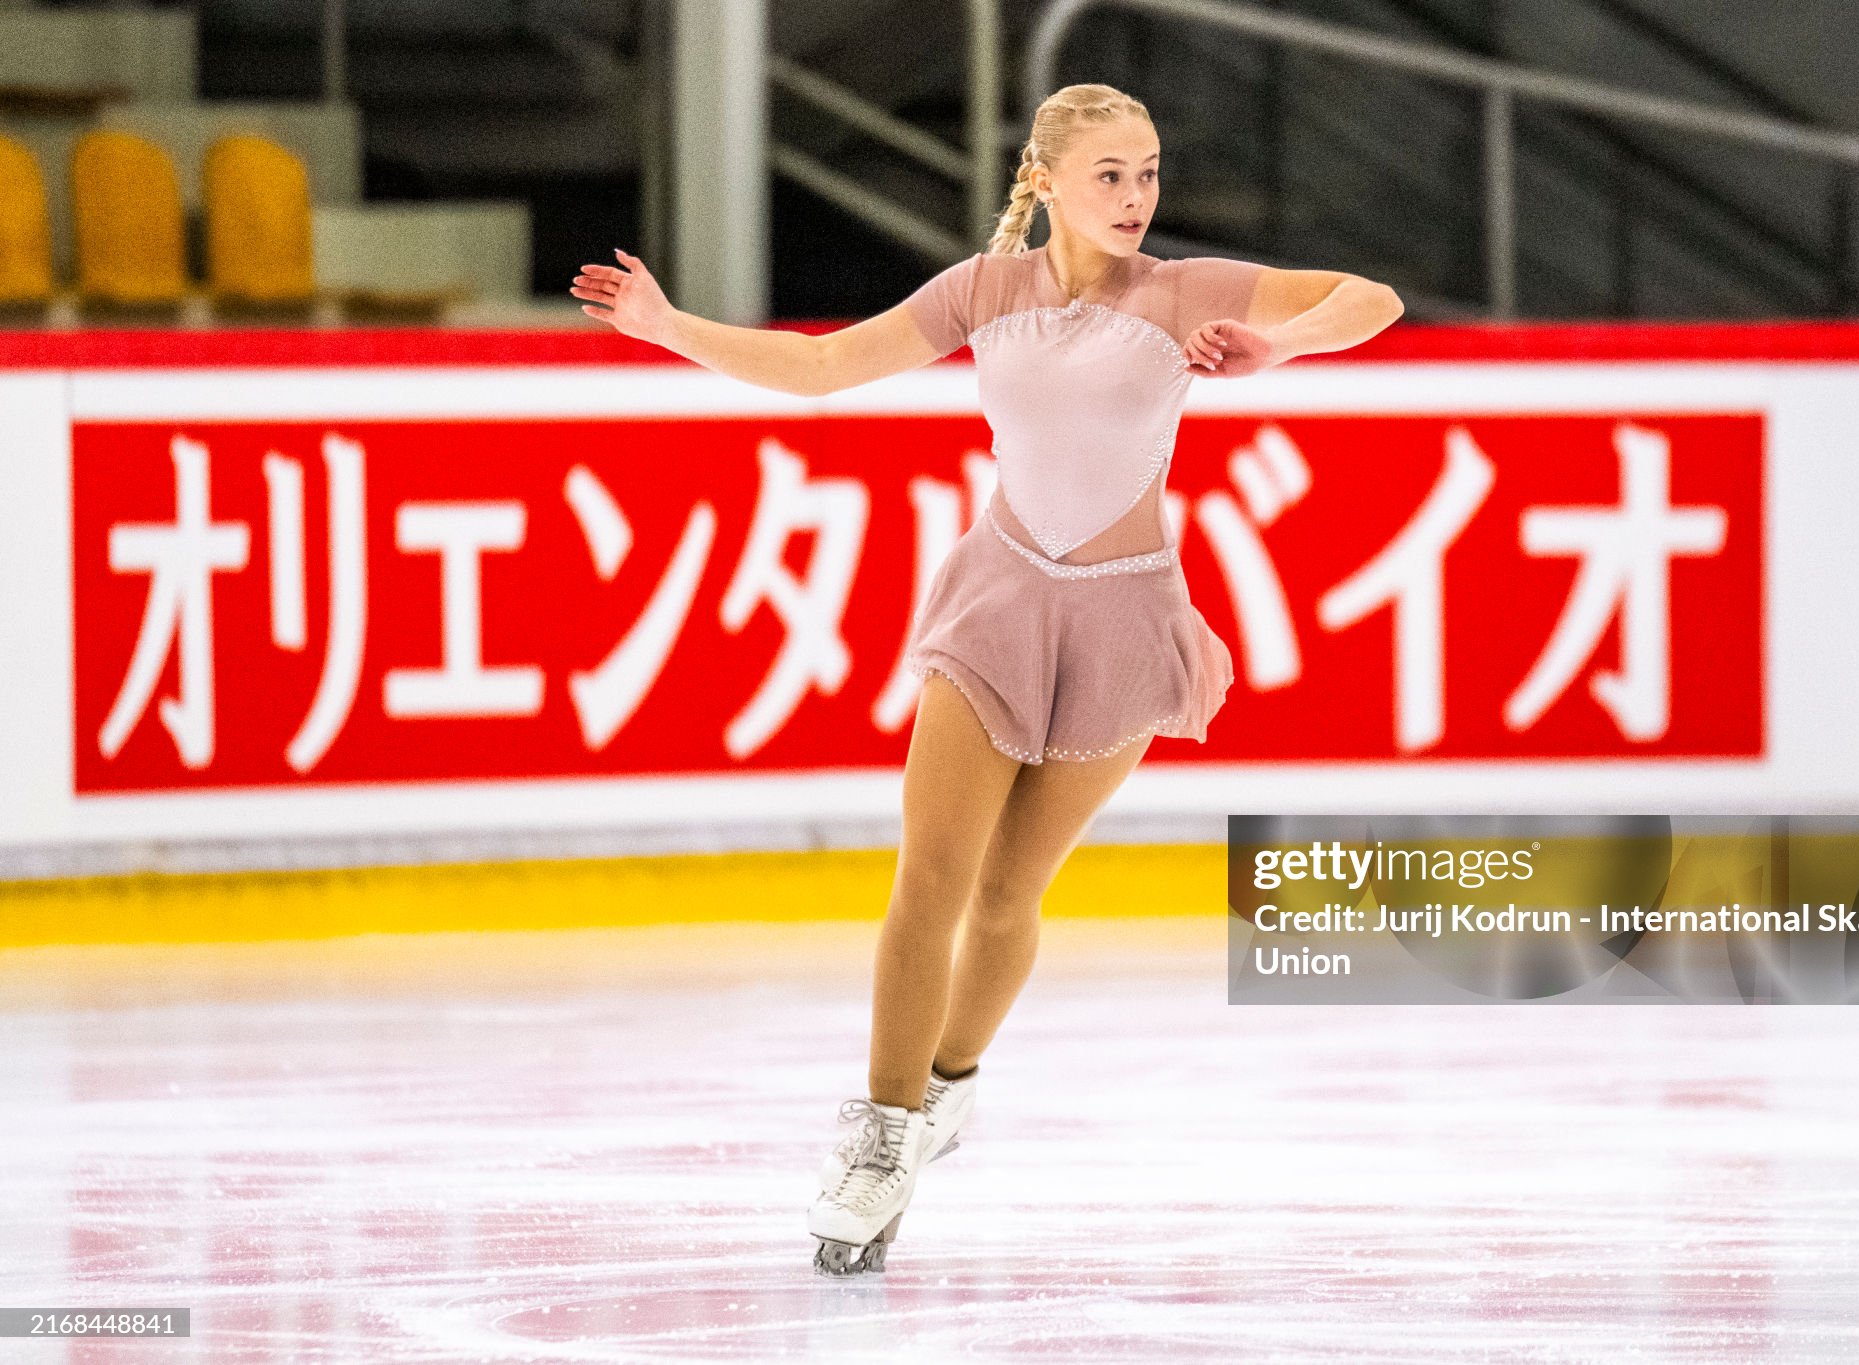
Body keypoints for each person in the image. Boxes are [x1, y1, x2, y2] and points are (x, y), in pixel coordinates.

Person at [571, 83, 1404, 1276]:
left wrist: (1279, 343)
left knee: (1009, 895)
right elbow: (823, 366)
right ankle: (880, 1131)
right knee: (931, 877)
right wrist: (668, 328)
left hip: (1122, 621)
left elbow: (1369, 298)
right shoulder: (980, 291)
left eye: (1147, 172)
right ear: (1047, 179)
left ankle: (947, 1087)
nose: (1134, 195)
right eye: (1109, 173)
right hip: (997, 602)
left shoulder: (1182, 292)